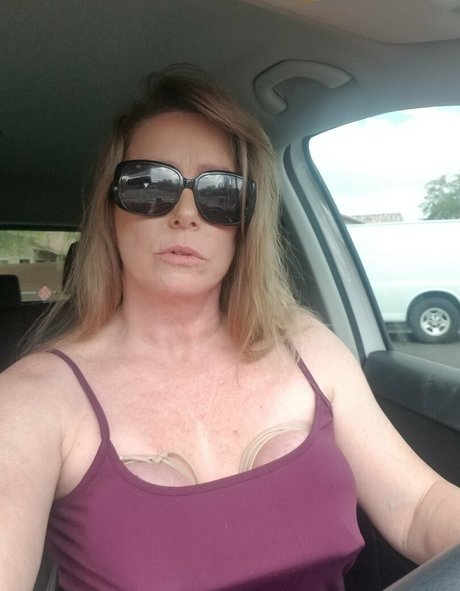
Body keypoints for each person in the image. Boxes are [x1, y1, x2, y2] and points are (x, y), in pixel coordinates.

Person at [1, 64, 459, 591]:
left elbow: (418, 507)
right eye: (150, 185)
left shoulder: (308, 348)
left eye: (221, 193)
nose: (186, 213)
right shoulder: (34, 399)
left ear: (246, 224)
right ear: (110, 209)